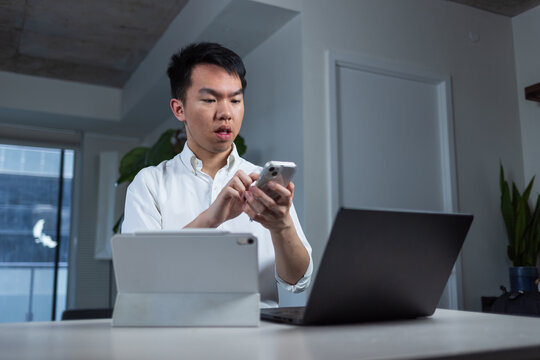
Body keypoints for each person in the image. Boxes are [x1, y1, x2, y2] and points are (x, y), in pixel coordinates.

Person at [122, 42, 312, 307]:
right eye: (210, 100)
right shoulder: (150, 183)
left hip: (258, 340)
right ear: (179, 109)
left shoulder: (262, 182)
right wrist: (210, 219)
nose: (225, 113)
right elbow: (138, 279)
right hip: (176, 340)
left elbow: (297, 282)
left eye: (235, 100)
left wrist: (282, 226)